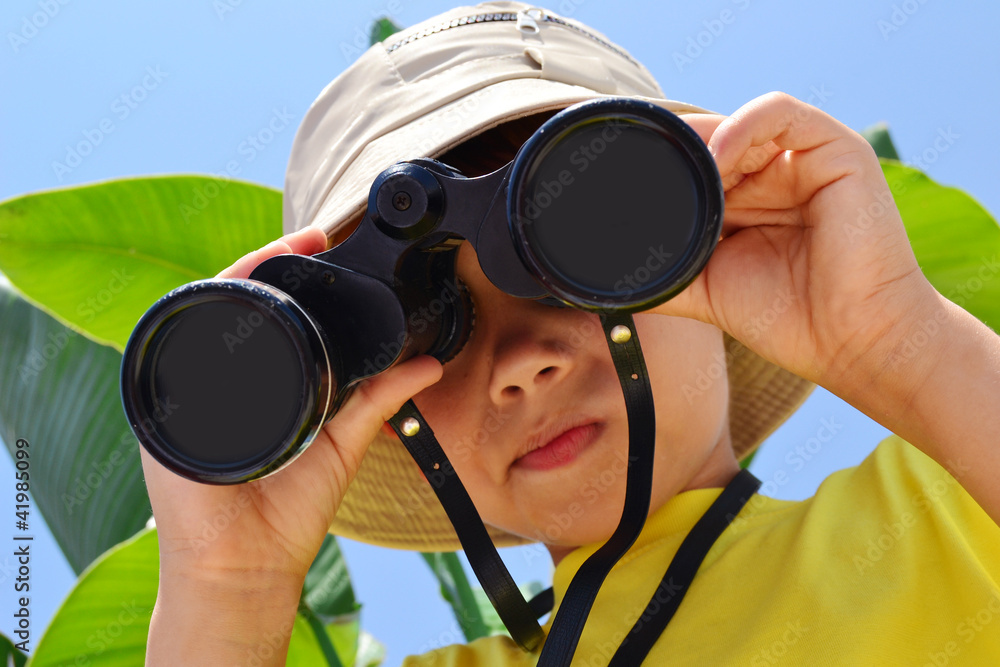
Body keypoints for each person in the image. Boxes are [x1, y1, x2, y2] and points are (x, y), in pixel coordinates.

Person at [140, 2, 1000, 664]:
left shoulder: (948, 525)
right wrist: (226, 593)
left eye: (577, 258)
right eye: (425, 332)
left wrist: (896, 343)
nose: (520, 365)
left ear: (707, 237)